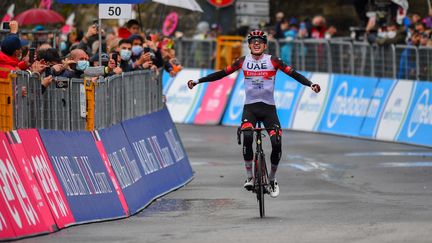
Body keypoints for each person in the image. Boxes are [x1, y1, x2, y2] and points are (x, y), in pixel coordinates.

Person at [187, 30, 321, 198]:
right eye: (253, 41)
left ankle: (272, 179)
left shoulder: (273, 61)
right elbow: (221, 74)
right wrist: (198, 81)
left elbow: (293, 74)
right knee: (248, 136)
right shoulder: (243, 61)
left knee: (277, 142)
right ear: (249, 45)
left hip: (268, 110)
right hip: (250, 109)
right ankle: (250, 177)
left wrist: (311, 84)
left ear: (265, 45)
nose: (256, 44)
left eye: (260, 41)